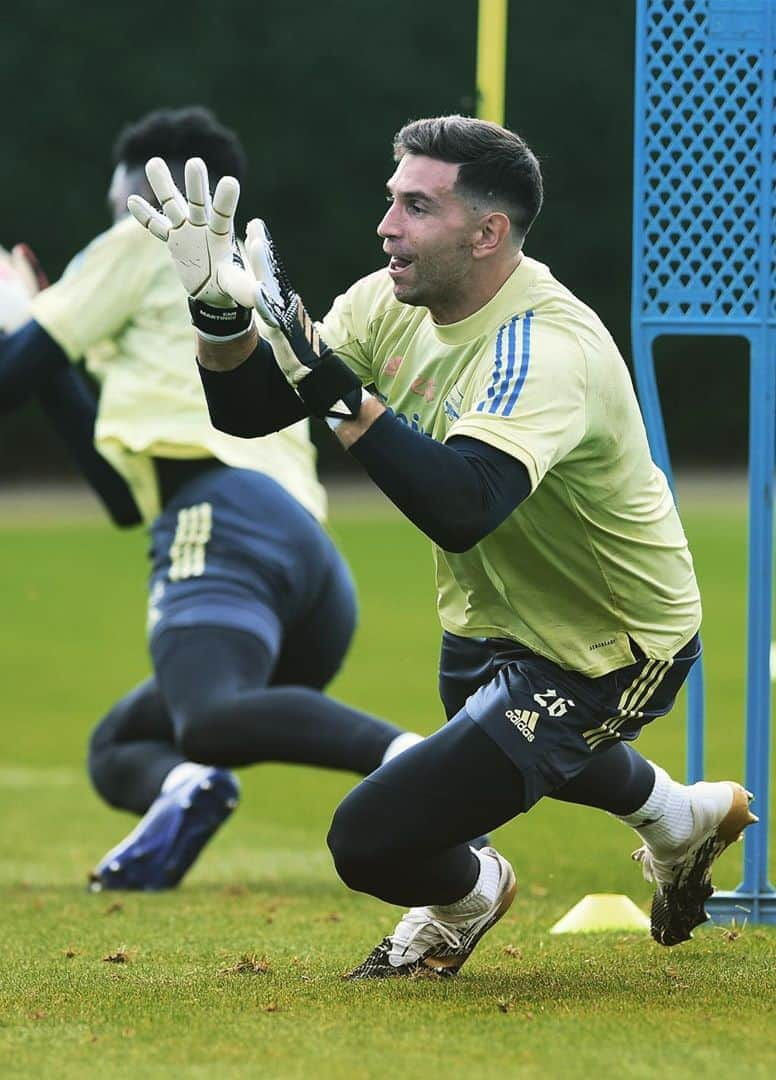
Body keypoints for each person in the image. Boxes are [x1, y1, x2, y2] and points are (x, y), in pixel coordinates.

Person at [128, 113, 756, 972]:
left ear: (488, 232)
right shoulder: (389, 304)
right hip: (491, 622)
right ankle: (680, 820)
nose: (387, 225)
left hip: (611, 641)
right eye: (392, 201)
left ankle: (466, 894)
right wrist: (217, 315)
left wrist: (333, 384)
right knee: (519, 734)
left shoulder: (545, 347)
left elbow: (462, 505)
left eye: (418, 208)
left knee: (372, 838)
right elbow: (247, 413)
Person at [0, 106, 433, 893]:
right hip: (308, 568)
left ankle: (418, 768)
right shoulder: (232, 277)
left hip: (226, 523)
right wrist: (49, 356)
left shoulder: (143, 239)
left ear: (149, 191)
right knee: (121, 747)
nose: (113, 229)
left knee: (207, 718)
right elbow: (116, 492)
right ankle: (188, 791)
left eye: (118, 209)